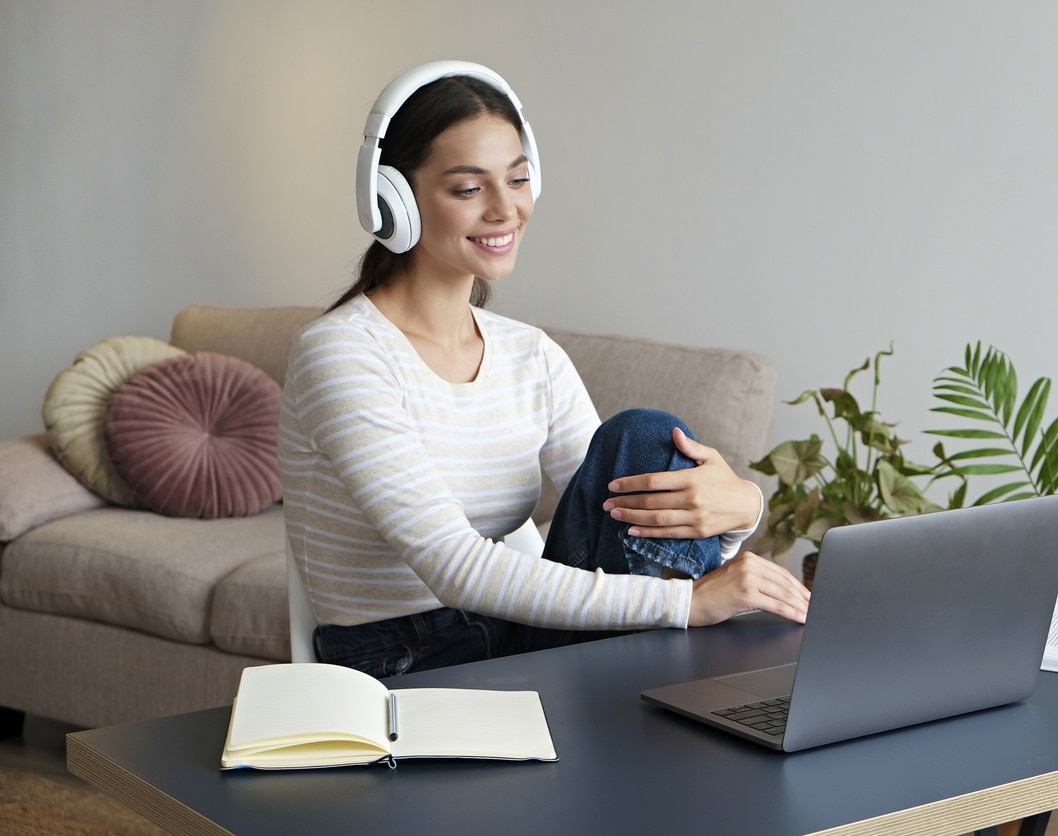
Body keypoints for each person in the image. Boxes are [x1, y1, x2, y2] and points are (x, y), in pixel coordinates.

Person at [279, 61, 809, 678]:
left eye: (519, 179)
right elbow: (452, 566)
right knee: (666, 655)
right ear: (394, 201)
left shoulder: (529, 353)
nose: (506, 210)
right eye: (469, 188)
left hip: (513, 633)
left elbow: (624, 504)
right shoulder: (341, 353)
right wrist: (686, 602)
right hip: (406, 658)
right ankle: (682, 690)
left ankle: (693, 693)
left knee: (644, 433)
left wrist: (742, 509)